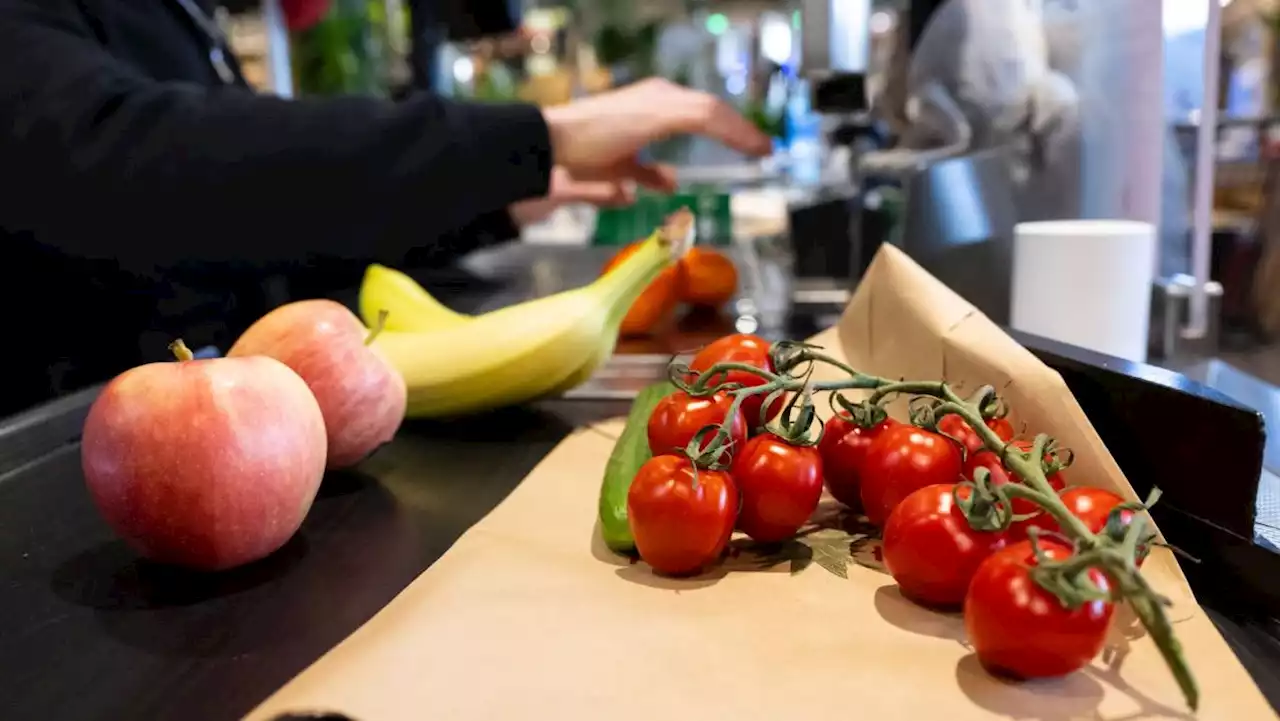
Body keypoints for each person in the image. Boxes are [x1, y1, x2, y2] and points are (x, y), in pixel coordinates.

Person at [0, 0, 771, 417]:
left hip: (227, 429)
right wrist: (533, 137)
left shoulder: (182, 18)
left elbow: (259, 217)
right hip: (62, 457)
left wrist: (502, 207)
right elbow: (132, 166)